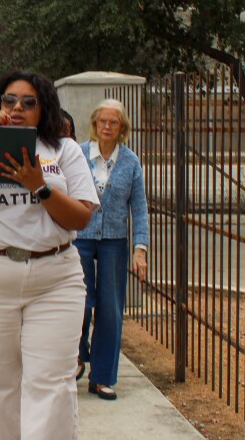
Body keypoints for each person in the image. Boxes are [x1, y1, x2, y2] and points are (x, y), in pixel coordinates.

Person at [0, 71, 98, 439]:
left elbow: (80, 216)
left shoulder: (64, 150)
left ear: (43, 109)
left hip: (55, 278)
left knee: (53, 383)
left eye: (28, 102)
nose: (17, 108)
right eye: (8, 101)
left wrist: (39, 186)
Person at [75, 99, 148, 401]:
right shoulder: (79, 154)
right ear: (94, 124)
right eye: (102, 121)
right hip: (79, 236)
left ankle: (102, 376)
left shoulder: (130, 161)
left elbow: (140, 209)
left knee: (110, 309)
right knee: (77, 301)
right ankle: (76, 357)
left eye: (113, 122)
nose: (106, 126)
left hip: (115, 242)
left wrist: (140, 248)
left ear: (122, 128)